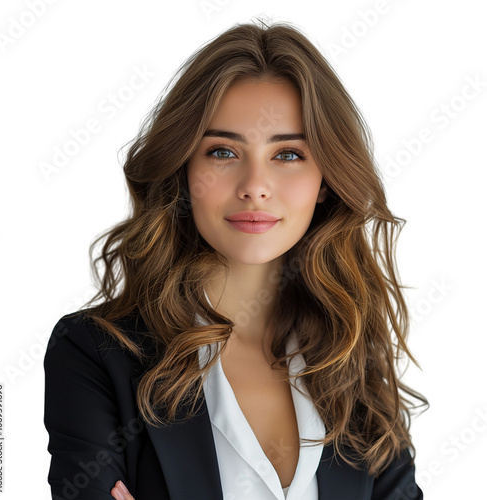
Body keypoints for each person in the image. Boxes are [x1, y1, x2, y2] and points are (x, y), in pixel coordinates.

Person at [43, 19, 429, 500]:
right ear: (184, 169)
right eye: (223, 151)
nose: (254, 185)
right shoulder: (94, 354)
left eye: (288, 154)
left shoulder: (352, 358)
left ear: (326, 179)